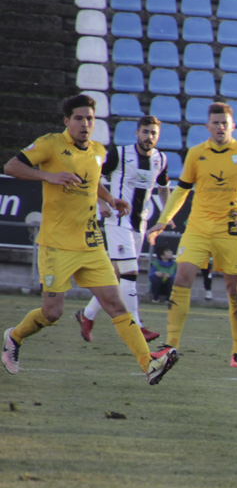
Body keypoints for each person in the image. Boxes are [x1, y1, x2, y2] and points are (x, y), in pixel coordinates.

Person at [1, 94, 177, 384]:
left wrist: (110, 199)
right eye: (80, 118)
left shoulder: (97, 150)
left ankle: (149, 364)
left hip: (90, 242)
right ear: (67, 121)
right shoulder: (50, 143)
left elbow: (91, 184)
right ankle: (14, 336)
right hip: (57, 244)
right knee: (52, 312)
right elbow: (11, 167)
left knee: (115, 304)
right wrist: (49, 176)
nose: (85, 124)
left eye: (90, 119)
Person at [147, 102, 237, 368]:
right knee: (182, 276)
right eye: (216, 123)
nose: (221, 127)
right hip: (199, 228)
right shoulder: (196, 154)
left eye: (225, 123)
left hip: (231, 230)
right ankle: (170, 345)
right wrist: (163, 220)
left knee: (234, 288)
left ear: (233, 126)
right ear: (208, 126)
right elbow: (181, 190)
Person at [75, 115, 168, 343]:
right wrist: (102, 202)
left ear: (158, 136)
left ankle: (86, 315)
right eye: (145, 132)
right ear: (137, 133)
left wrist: (167, 215)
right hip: (117, 220)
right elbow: (92, 175)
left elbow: (164, 188)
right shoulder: (120, 154)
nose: (149, 137)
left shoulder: (161, 159)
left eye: (153, 133)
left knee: (116, 276)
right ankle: (137, 325)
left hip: (140, 224)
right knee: (130, 272)